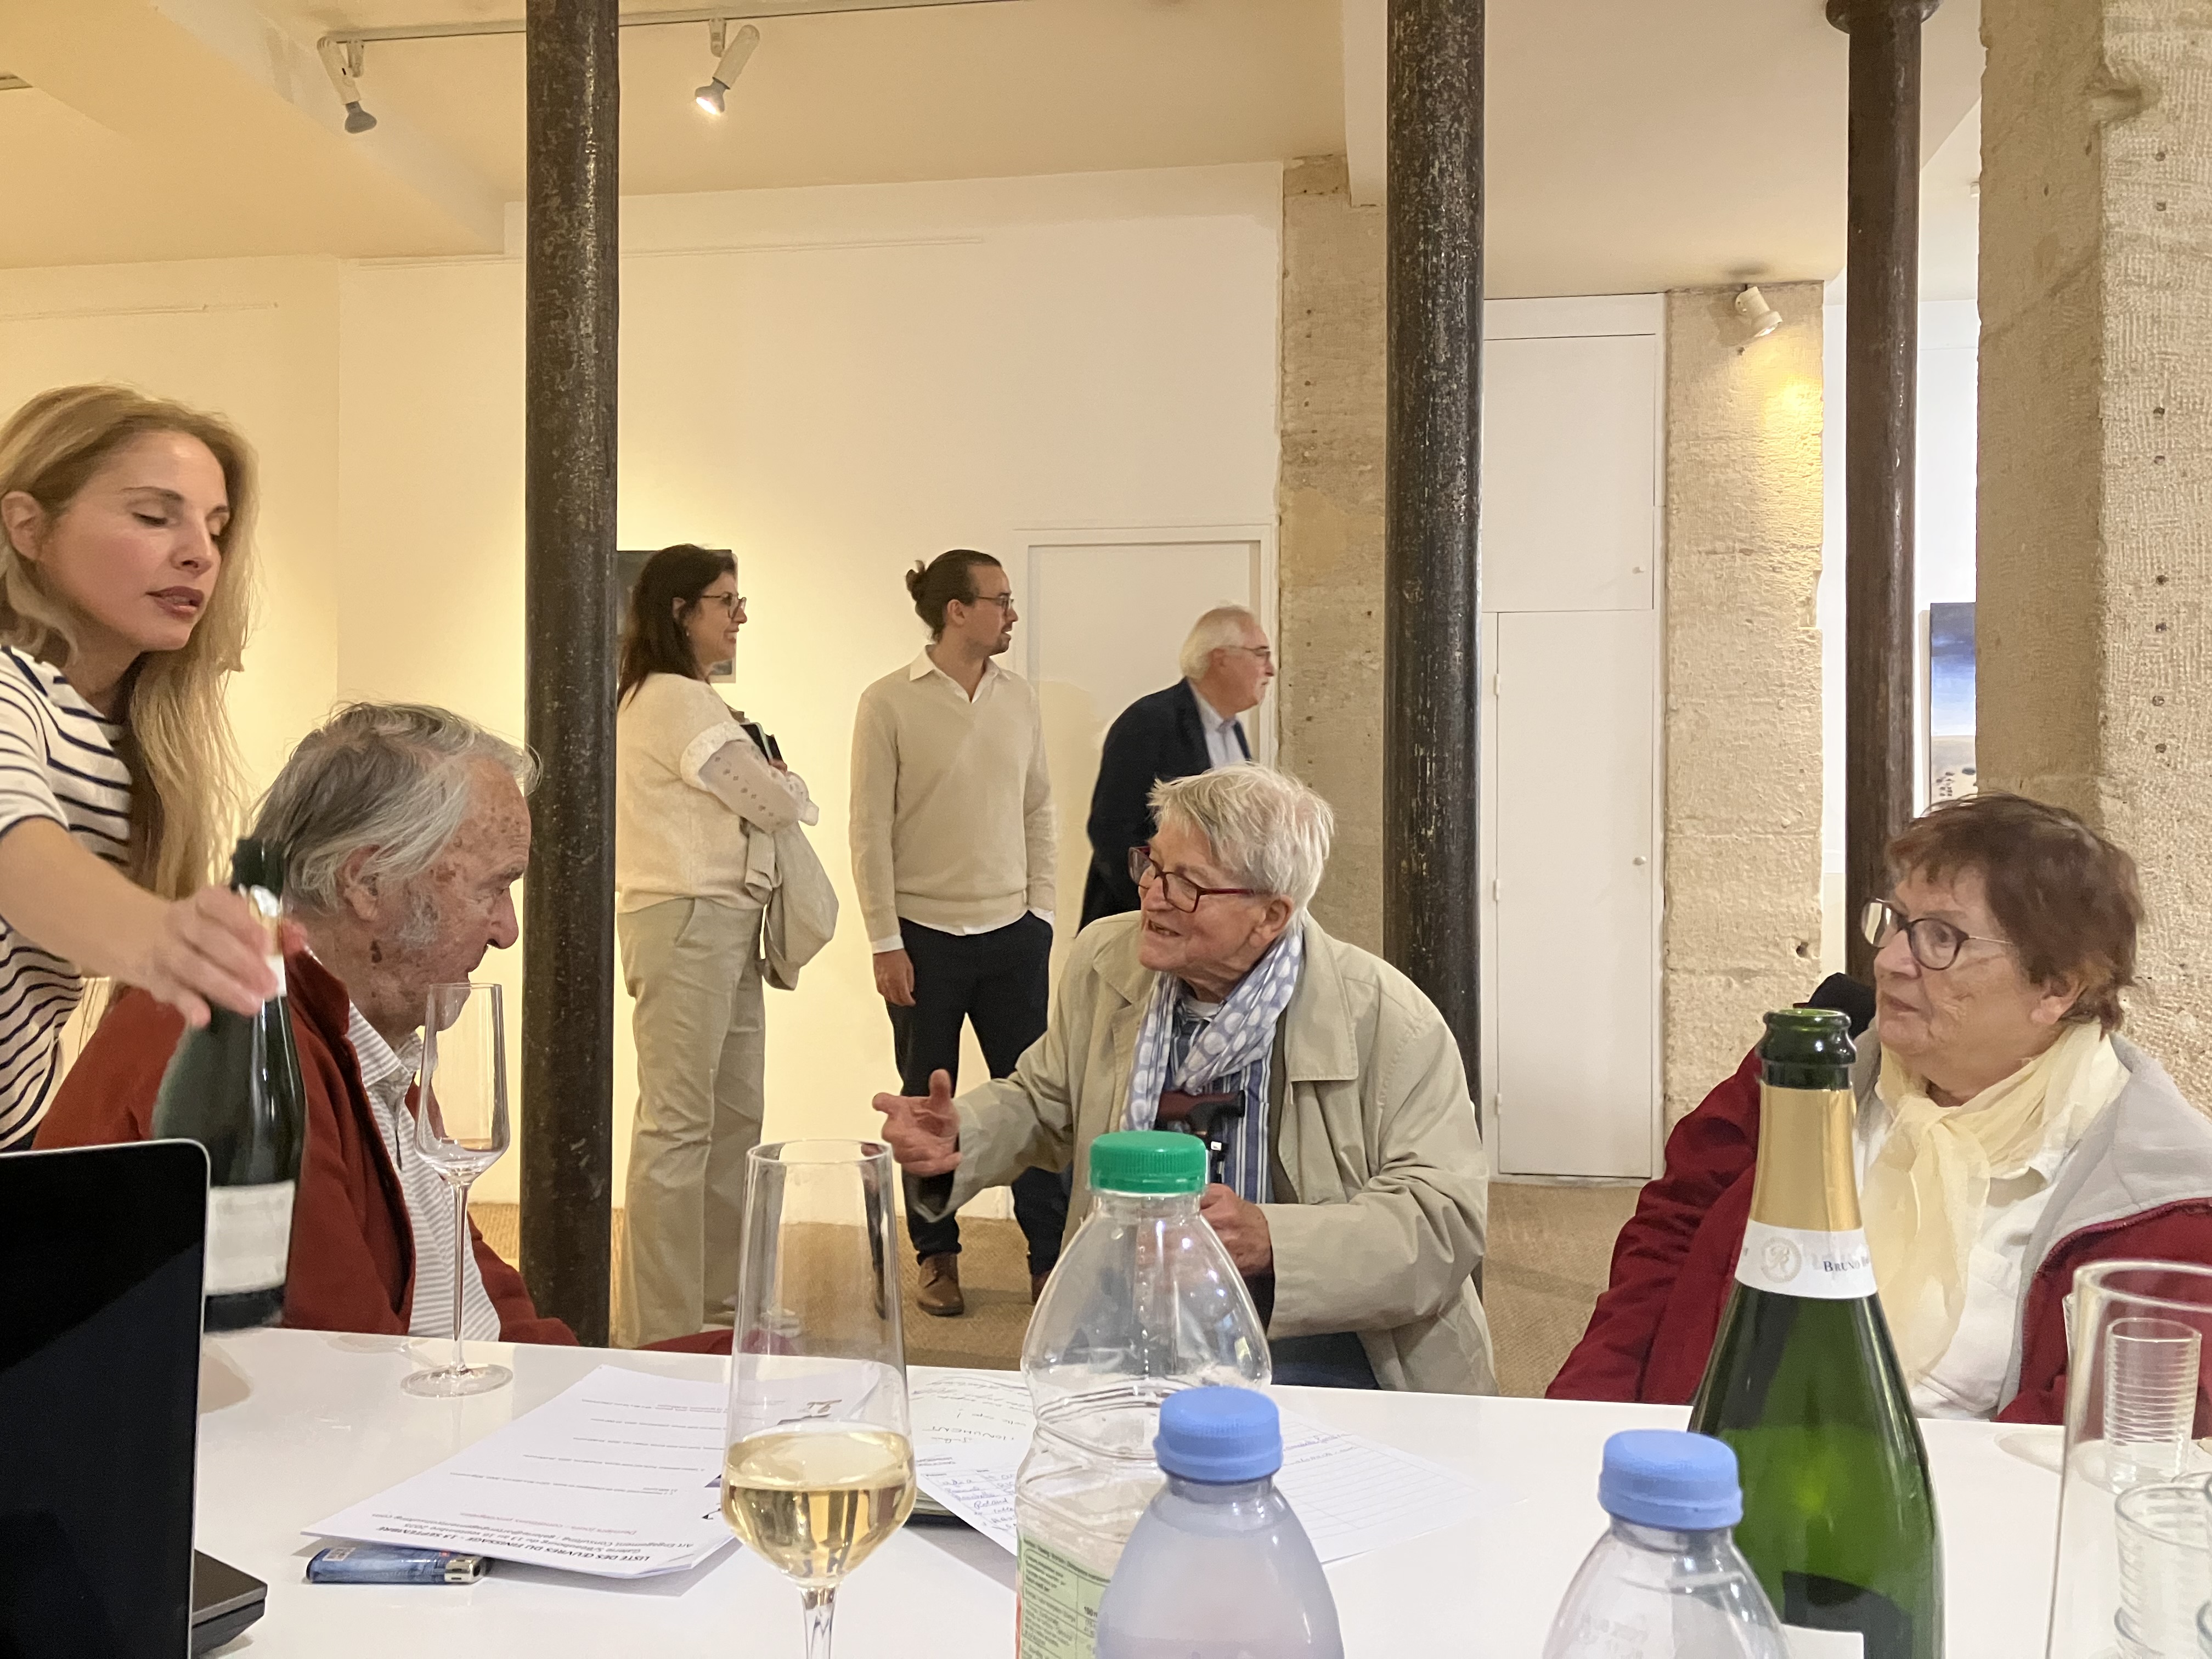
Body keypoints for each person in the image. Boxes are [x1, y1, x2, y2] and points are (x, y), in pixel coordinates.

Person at [1549, 792, 2212, 1425]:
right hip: (1712, 1459)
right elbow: (1666, 1244)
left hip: (1943, 1492)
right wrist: (1585, 1426)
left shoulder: (2162, 1203)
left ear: (2056, 989)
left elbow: (2096, 1438)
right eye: (1896, 922)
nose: (1891, 960)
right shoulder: (1802, 1073)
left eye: (1941, 939)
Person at [875, 764, 1496, 1392]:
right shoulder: (1106, 960)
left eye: (1188, 884)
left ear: (1270, 915)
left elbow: (1441, 1221)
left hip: (1323, 1342)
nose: (1152, 895)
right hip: (1129, 1320)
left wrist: (1271, 1242)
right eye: (1152, 865)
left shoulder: (1389, 1020)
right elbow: (1046, 1100)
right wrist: (964, 1134)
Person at [39, 703, 574, 1342]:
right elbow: (336, 1363)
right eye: (493, 888)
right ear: (366, 883)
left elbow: (483, 1312)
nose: (508, 931)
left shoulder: (364, 1042)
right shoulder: (233, 1041)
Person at [0, 386, 281, 1149]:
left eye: (215, 528)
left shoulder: (133, 737)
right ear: (29, 528)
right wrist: (164, 940)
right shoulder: (10, 688)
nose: (199, 553)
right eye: (154, 517)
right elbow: (16, 848)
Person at [849, 548, 1068, 1315]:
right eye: (999, 600)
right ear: (956, 611)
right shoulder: (888, 702)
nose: (1011, 614)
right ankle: (936, 1255)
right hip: (922, 938)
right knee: (923, 1106)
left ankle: (1048, 1257)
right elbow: (869, 830)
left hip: (1014, 935)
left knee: (1038, 1103)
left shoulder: (1019, 698)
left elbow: (1039, 808)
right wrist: (884, 940)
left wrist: (1043, 912)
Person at [614, 545, 822, 1348]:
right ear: (680, 611)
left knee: (733, 1119)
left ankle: (721, 1303)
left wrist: (777, 780)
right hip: (685, 921)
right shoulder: (672, 698)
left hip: (722, 922)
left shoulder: (691, 698)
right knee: (677, 1127)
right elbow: (774, 801)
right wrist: (785, 780)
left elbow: (766, 794)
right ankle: (665, 1325)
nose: (739, 619)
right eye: (725, 602)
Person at [1082, 605, 1274, 927]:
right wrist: (1161, 906)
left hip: (1212, 921)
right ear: (1221, 658)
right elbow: (1113, 833)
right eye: (1260, 654)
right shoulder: (1148, 723)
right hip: (1148, 921)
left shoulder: (1232, 730)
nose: (1270, 669)